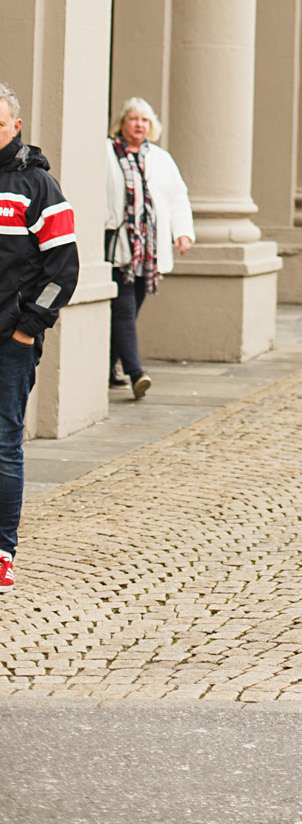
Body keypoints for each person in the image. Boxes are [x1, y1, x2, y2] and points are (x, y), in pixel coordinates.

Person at [0, 83, 79, 593]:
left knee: (3, 442)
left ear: (15, 127)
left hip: (11, 340)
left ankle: (2, 549)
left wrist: (28, 329)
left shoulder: (37, 185)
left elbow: (63, 270)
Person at [105, 99, 195, 398]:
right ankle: (136, 373)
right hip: (119, 250)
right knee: (124, 308)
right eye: (133, 118)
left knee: (129, 312)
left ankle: (107, 365)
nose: (139, 124)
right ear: (122, 123)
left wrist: (182, 233)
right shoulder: (107, 152)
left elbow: (177, 197)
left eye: (144, 119)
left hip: (150, 252)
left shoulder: (160, 158)